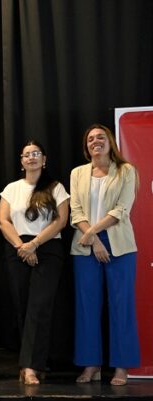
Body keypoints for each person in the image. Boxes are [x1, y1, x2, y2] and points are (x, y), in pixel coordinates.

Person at [71, 124, 140, 386]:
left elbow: (122, 209)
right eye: (90, 139)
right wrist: (93, 239)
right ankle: (91, 366)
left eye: (101, 137)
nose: (95, 141)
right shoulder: (77, 173)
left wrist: (95, 234)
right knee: (87, 307)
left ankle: (121, 367)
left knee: (121, 306)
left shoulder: (126, 171)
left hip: (119, 246)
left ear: (110, 142)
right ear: (86, 146)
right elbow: (76, 211)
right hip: (85, 246)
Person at [0, 140, 69, 385]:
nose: (31, 158)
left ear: (44, 159)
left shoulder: (55, 187)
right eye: (27, 154)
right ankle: (34, 364)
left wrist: (35, 244)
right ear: (21, 161)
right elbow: (3, 221)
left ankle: (29, 366)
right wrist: (21, 246)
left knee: (39, 306)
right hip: (17, 248)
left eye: (36, 153)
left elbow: (61, 221)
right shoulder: (11, 188)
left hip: (47, 247)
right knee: (23, 306)